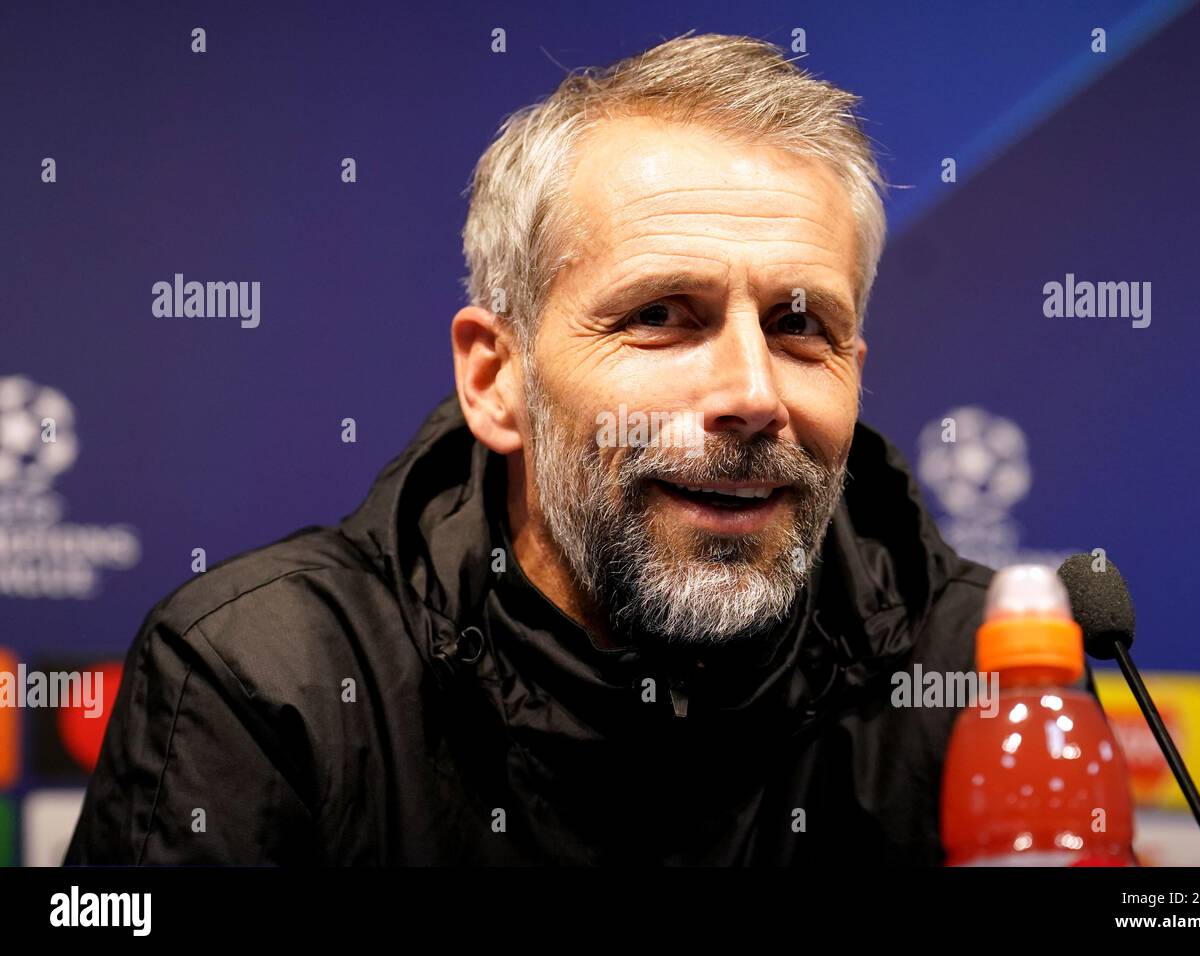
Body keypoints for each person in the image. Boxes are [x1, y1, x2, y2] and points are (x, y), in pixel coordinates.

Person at [66, 32, 999, 865]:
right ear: (496, 379)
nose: (753, 396)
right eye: (662, 317)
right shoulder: (267, 680)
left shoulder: (982, 672)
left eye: (802, 328)